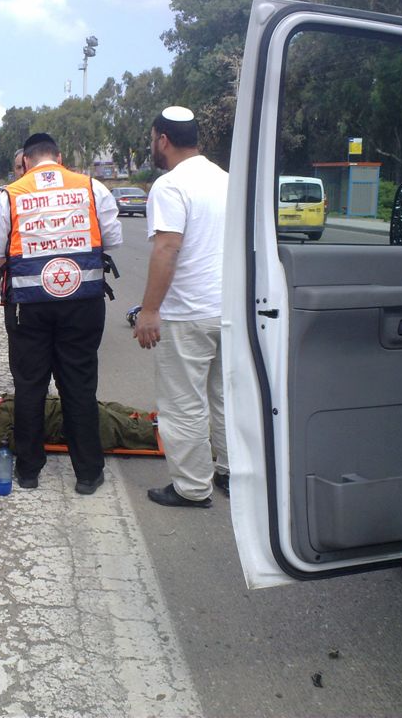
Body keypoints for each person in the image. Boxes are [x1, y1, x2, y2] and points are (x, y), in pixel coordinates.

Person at [0, 132, 123, 495]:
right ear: (59, 157)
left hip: (28, 307)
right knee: (79, 384)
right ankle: (88, 473)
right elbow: (114, 238)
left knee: (30, 387)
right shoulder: (92, 187)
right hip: (82, 303)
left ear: (25, 161)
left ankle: (28, 470)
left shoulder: (12, 194)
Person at [133, 106, 230, 508]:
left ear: (163, 140)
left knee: (183, 404)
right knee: (226, 397)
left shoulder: (171, 185)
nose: (152, 146)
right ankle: (230, 471)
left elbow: (168, 247)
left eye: (152, 139)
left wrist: (149, 310)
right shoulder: (227, 179)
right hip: (230, 310)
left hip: (188, 313)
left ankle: (192, 487)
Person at [0, 148, 25, 304]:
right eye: (18, 167)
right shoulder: (9, 200)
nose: (22, 172)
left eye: (25, 166)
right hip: (18, 284)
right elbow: (3, 250)